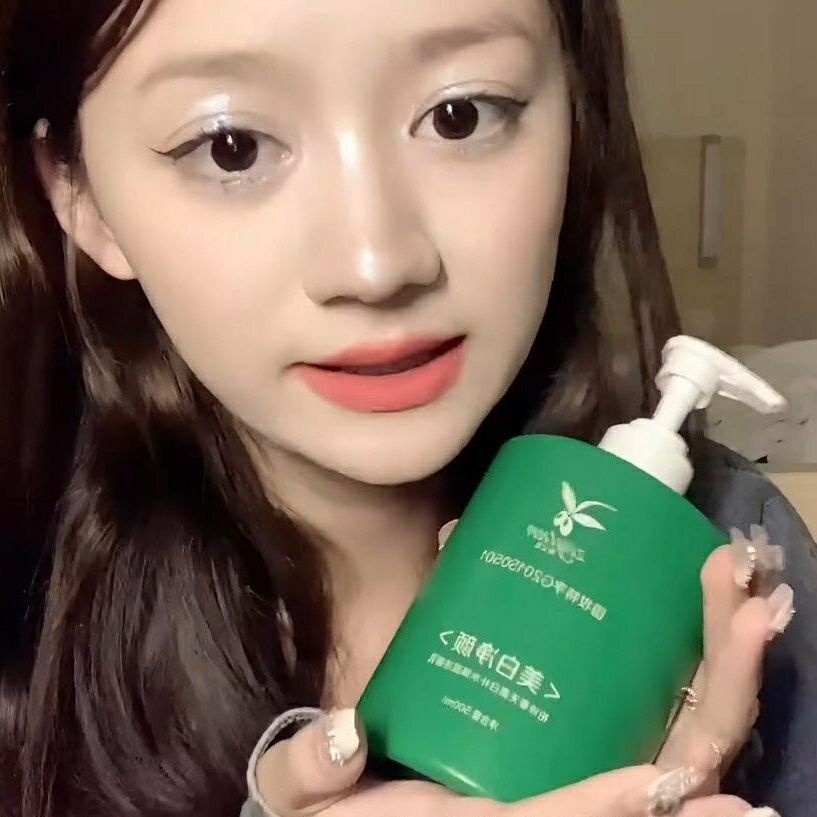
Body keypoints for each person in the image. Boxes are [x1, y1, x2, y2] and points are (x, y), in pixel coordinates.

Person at [0, 0, 809, 815]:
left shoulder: (733, 551)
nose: (376, 264)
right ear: (79, 195)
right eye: (230, 146)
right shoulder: (29, 602)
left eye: (462, 115)